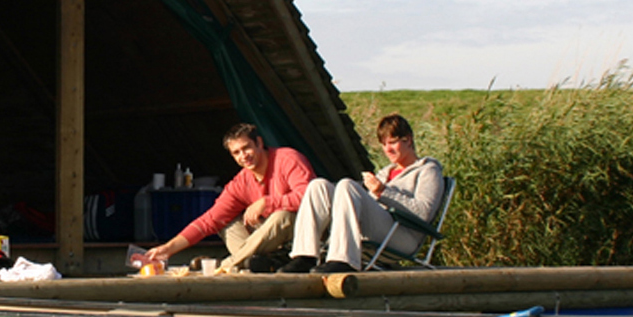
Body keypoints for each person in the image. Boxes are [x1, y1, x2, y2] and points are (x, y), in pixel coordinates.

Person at [282, 113, 446, 274]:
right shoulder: (385, 173)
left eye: (393, 143)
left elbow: (424, 212)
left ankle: (343, 259)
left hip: (403, 234)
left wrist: (383, 192)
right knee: (318, 186)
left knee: (348, 185)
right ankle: (305, 256)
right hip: (378, 227)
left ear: (408, 140)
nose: (387, 149)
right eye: (384, 144)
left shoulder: (427, 170)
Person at [143, 124, 310, 270]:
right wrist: (168, 248)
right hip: (265, 242)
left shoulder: (287, 158)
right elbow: (209, 220)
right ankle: (259, 261)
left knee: (283, 216)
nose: (243, 156)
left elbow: (310, 198)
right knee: (226, 222)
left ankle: (225, 265)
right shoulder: (240, 182)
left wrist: (267, 203)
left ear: (259, 142)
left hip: (297, 236)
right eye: (236, 152)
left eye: (246, 148)